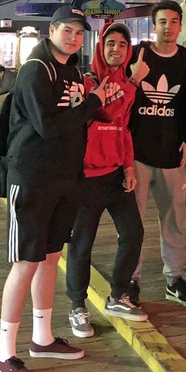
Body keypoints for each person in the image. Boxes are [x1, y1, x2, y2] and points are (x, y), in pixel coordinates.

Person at [0, 6, 111, 372]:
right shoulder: (34, 70)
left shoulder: (72, 70)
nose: (74, 38)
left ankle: (41, 338)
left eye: (80, 33)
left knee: (49, 258)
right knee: (26, 262)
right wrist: (94, 103)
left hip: (63, 178)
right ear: (52, 30)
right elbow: (47, 126)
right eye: (67, 31)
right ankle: (4, 353)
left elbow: (75, 120)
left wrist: (98, 101)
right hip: (31, 178)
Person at [66, 22, 147, 336]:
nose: (117, 50)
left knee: (134, 233)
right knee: (81, 244)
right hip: (86, 179)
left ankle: (118, 295)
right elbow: (107, 114)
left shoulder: (125, 83)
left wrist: (128, 167)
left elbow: (123, 128)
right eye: (111, 43)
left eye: (123, 45)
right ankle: (77, 306)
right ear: (100, 46)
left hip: (115, 176)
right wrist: (134, 83)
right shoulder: (86, 82)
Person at [128, 0, 186, 308]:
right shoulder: (138, 55)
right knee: (133, 224)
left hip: (172, 155)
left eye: (173, 21)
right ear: (153, 25)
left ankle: (173, 277)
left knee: (173, 222)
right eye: (162, 21)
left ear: (180, 25)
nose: (168, 27)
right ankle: (130, 280)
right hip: (137, 154)